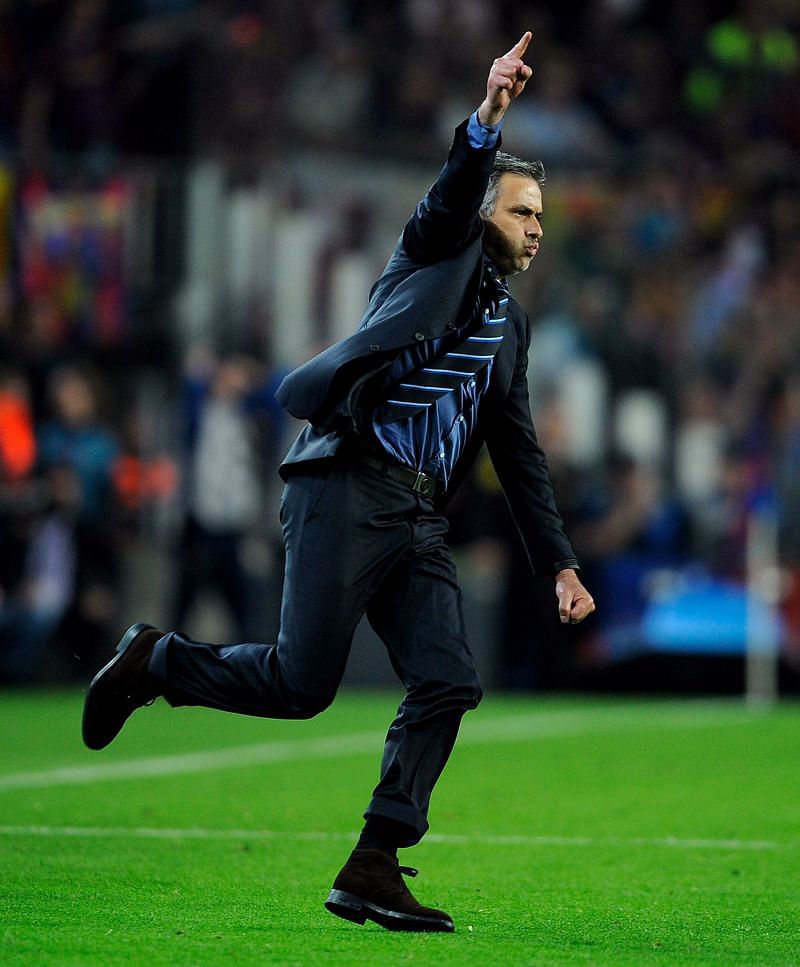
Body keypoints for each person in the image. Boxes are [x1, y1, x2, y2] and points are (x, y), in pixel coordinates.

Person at [82, 31, 595, 934]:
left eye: (542, 216)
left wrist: (559, 563)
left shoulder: (510, 334)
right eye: (522, 211)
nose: (536, 228)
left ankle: (374, 860)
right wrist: (486, 117)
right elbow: (451, 189)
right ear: (484, 216)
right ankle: (156, 661)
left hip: (417, 517)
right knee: (299, 684)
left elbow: (518, 457)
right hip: (347, 486)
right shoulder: (437, 252)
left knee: (448, 679)